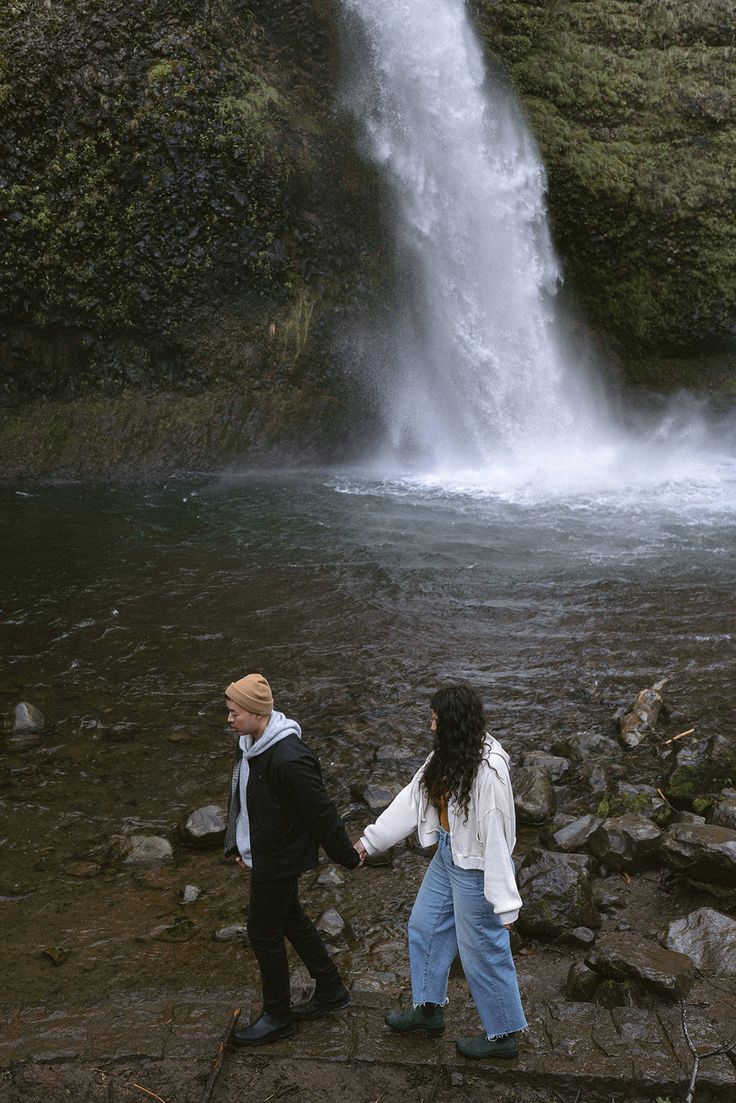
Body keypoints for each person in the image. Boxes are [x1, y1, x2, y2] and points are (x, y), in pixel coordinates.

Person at [354, 684, 527, 1059]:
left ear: (452, 724)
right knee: (424, 926)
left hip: (478, 868)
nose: (431, 726)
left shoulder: (488, 771)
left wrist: (505, 904)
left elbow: (498, 839)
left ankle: (503, 1036)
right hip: (448, 856)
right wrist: (370, 843)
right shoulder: (447, 756)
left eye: (435, 720)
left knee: (482, 949)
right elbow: (412, 798)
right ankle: (428, 1011)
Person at [223, 672, 360, 1046]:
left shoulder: (289, 757)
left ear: (257, 713)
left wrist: (348, 856)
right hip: (267, 851)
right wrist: (239, 844)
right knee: (291, 918)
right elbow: (247, 801)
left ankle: (278, 1015)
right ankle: (331, 989)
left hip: (281, 857)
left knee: (262, 932)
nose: (229, 719)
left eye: (235, 713)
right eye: (229, 711)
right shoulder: (251, 743)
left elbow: (321, 812)